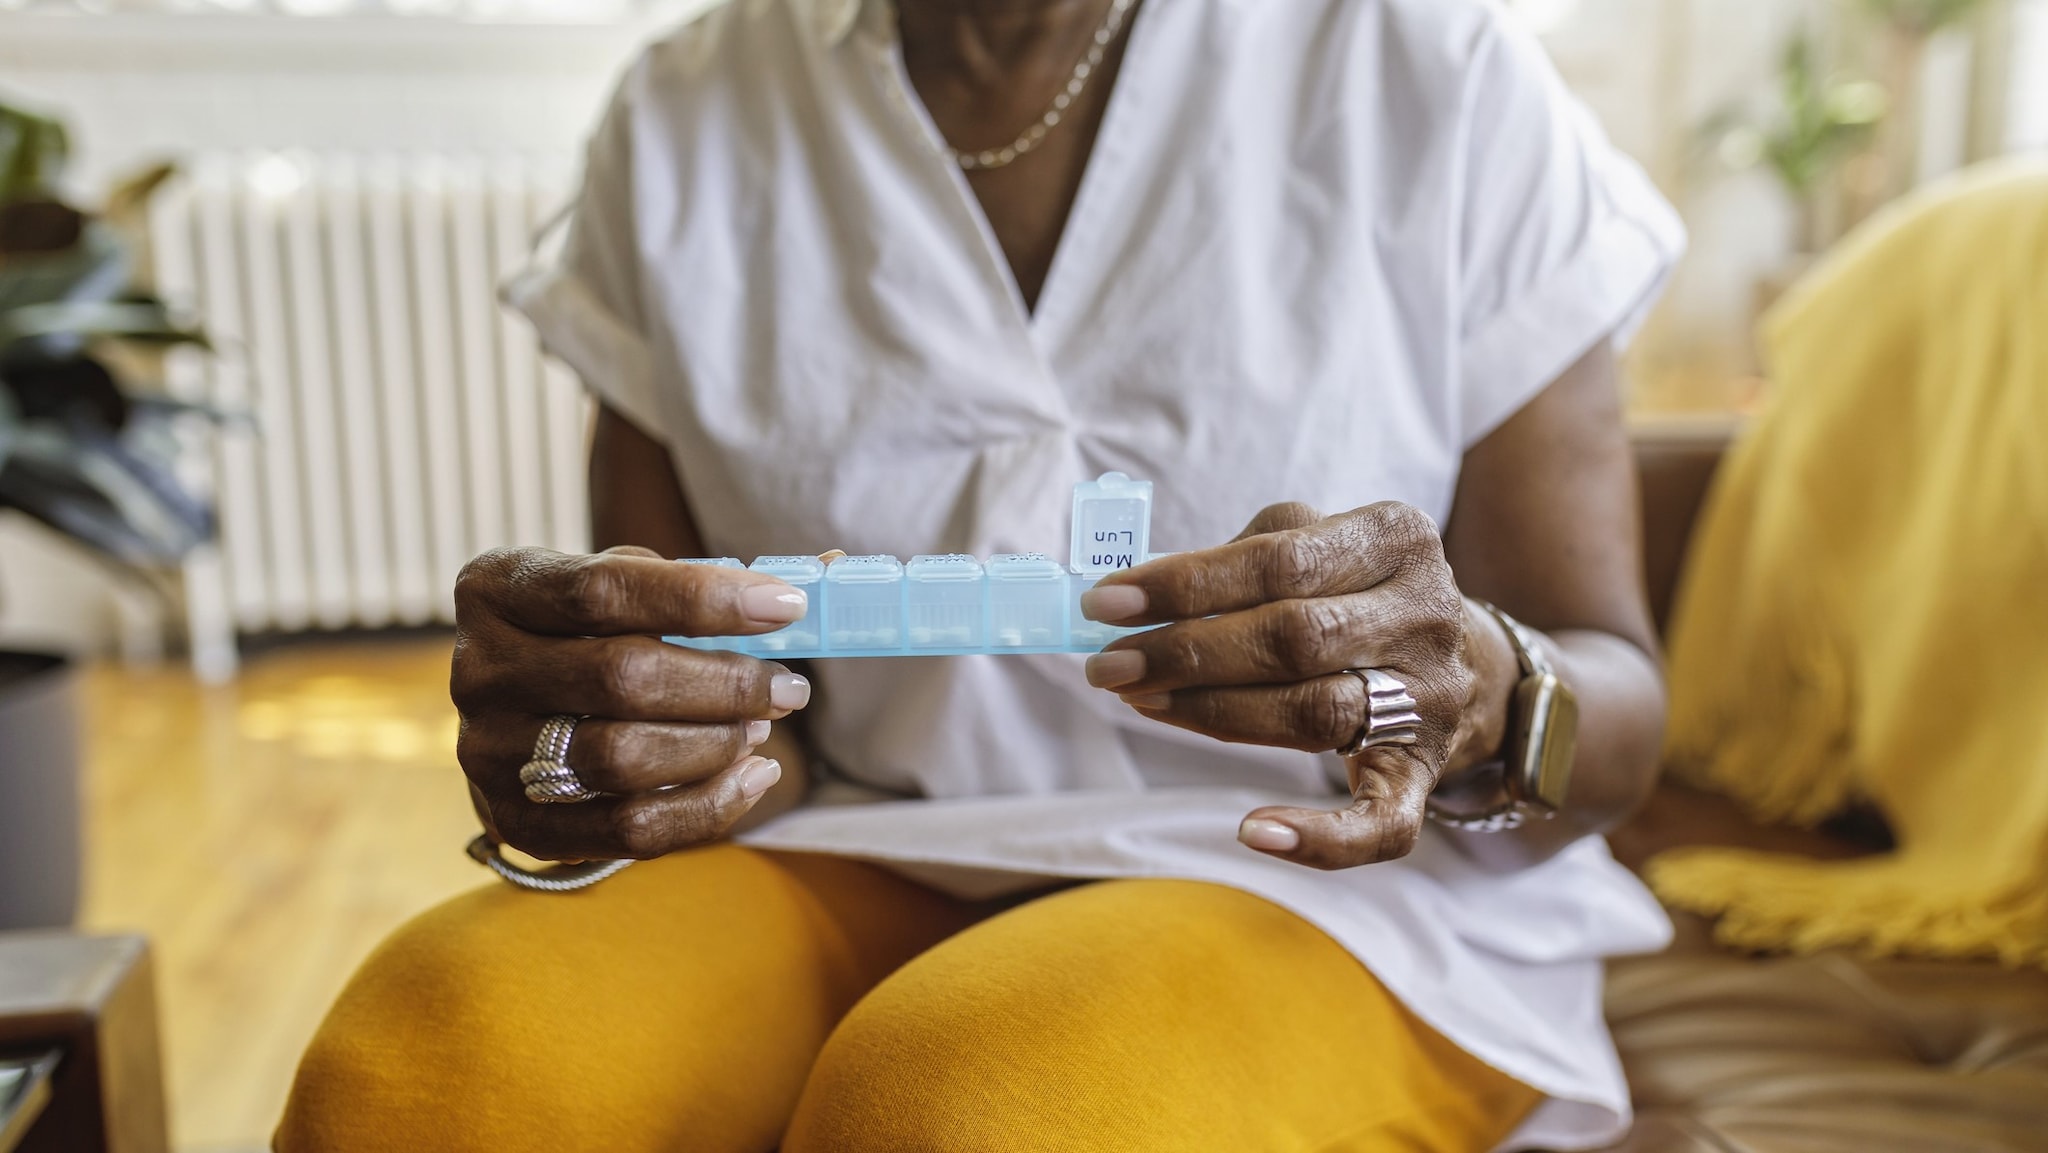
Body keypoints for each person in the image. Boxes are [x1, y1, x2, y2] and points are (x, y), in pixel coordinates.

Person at [277, 0, 1684, 1148]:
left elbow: (1617, 702)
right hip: (859, 850)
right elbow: (742, 736)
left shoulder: (1430, 72)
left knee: (981, 1105)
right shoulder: (684, 118)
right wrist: (614, 735)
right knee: (421, 1075)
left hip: (1336, 892)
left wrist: (1484, 686)